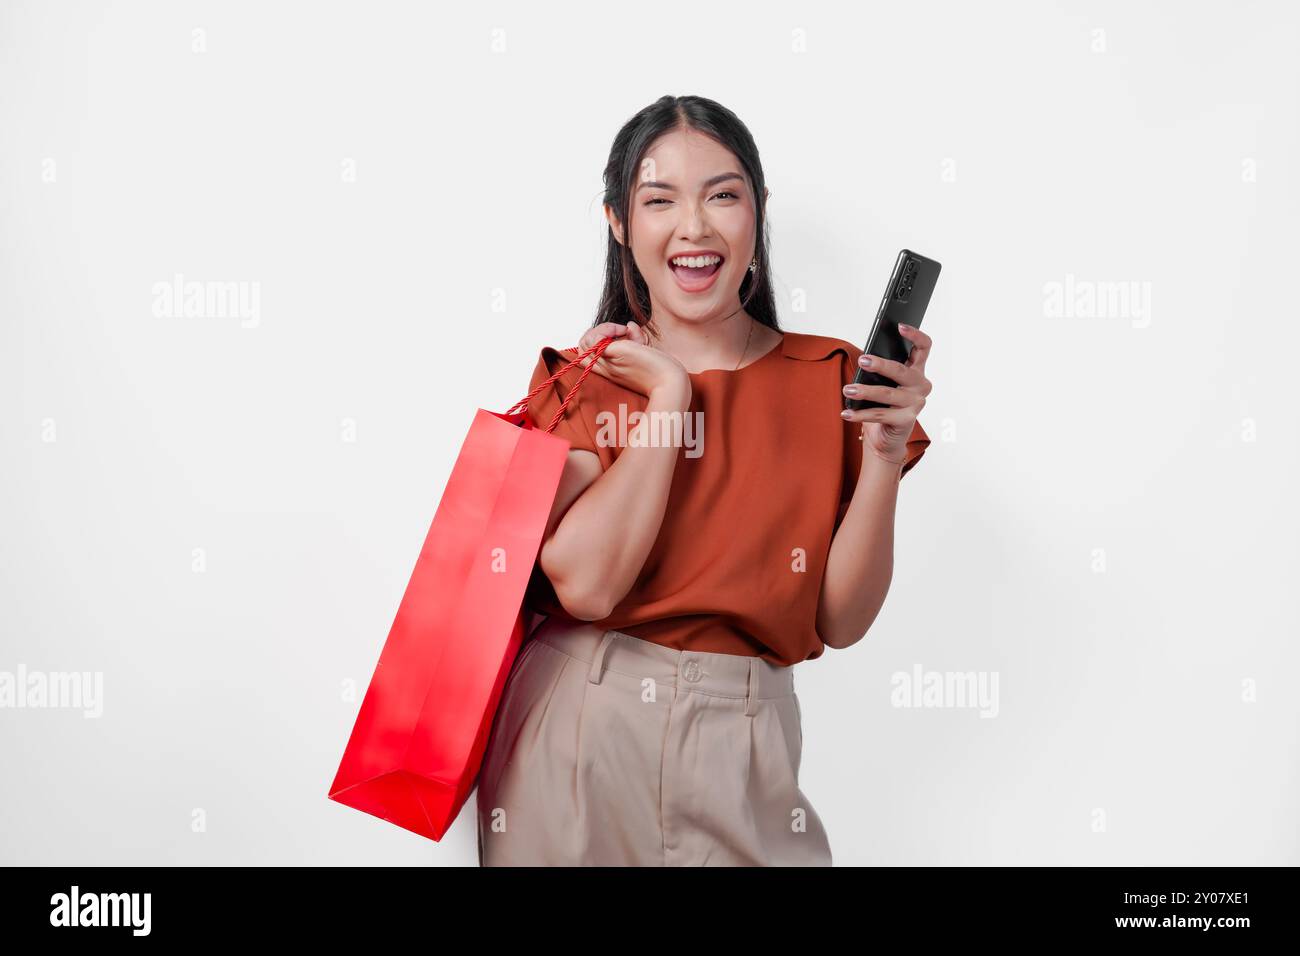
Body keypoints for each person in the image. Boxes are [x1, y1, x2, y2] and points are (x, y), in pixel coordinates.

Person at [476, 94, 933, 866]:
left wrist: (884, 455)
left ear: (758, 212)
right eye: (660, 200)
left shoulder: (828, 380)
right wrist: (668, 397)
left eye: (723, 195)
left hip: (750, 742)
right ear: (619, 221)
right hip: (585, 728)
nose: (695, 228)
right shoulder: (589, 378)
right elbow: (585, 586)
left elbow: (842, 620)